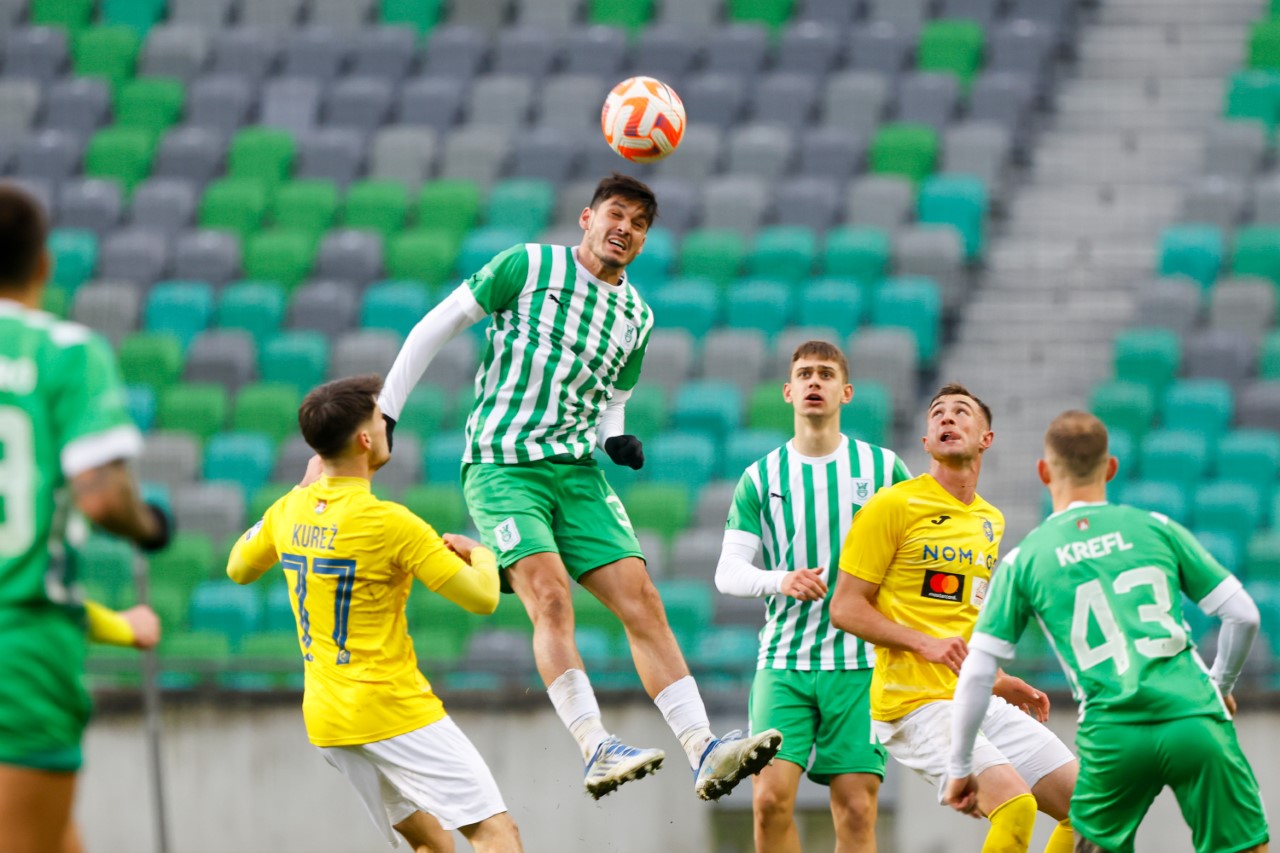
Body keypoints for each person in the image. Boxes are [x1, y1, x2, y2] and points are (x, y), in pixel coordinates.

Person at [377, 172, 782, 801]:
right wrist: (386, 411)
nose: (625, 229)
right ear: (587, 218)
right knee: (550, 594)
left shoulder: (637, 316)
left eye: (639, 224)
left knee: (644, 600)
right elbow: (437, 325)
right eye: (616, 214)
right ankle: (596, 746)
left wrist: (614, 436)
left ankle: (703, 749)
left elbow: (614, 396)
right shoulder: (527, 266)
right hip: (503, 464)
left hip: (577, 471)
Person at [944, 410, 1270, 853]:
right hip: (1193, 714)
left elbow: (978, 672)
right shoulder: (1155, 527)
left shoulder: (1026, 559)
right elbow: (1244, 615)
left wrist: (960, 765)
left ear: (1044, 472)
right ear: (1111, 467)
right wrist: (1220, 686)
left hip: (1113, 732)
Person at [226, 375, 523, 853]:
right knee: (495, 833)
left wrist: (297, 491)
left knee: (433, 844)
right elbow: (483, 598)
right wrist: (482, 554)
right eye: (380, 420)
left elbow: (238, 567)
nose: (388, 426)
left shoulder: (288, 510)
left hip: (329, 720)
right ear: (365, 439)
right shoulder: (391, 524)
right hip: (392, 710)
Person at [830, 383, 1078, 853]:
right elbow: (844, 608)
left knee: (1091, 811)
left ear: (986, 438)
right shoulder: (892, 505)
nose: (947, 418)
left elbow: (963, 617)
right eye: (937, 413)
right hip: (912, 703)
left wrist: (998, 680)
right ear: (926, 441)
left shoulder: (990, 520)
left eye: (961, 411)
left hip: (972, 697)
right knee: (1016, 807)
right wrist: (923, 643)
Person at [0, 183, 172, 853]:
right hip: (20, 653)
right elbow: (101, 496)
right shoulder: (64, 352)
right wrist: (148, 526)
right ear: (42, 264)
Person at [716, 340, 911, 852]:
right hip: (784, 663)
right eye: (804, 374)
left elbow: (914, 557)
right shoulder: (760, 476)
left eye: (826, 374)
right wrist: (780, 579)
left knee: (856, 809)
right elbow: (727, 573)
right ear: (788, 391)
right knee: (768, 802)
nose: (814, 382)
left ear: (846, 392)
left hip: (860, 665)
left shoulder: (884, 468)